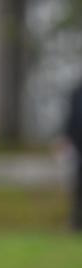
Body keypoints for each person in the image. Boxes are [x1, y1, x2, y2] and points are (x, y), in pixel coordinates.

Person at [63, 80, 82, 232]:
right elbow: (71, 117)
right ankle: (76, 222)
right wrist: (66, 138)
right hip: (79, 146)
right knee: (78, 186)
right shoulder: (77, 91)